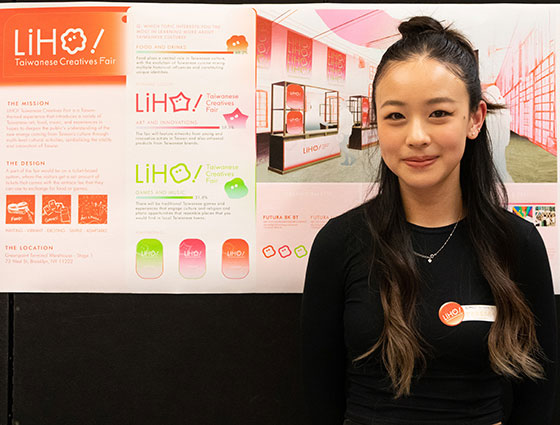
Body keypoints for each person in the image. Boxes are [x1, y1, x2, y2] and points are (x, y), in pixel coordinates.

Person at [301, 16, 557, 425]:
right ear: (377, 123)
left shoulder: (516, 243)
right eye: (396, 116)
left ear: (475, 119)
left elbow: (540, 397)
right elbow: (318, 393)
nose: (416, 136)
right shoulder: (340, 242)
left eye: (438, 113)